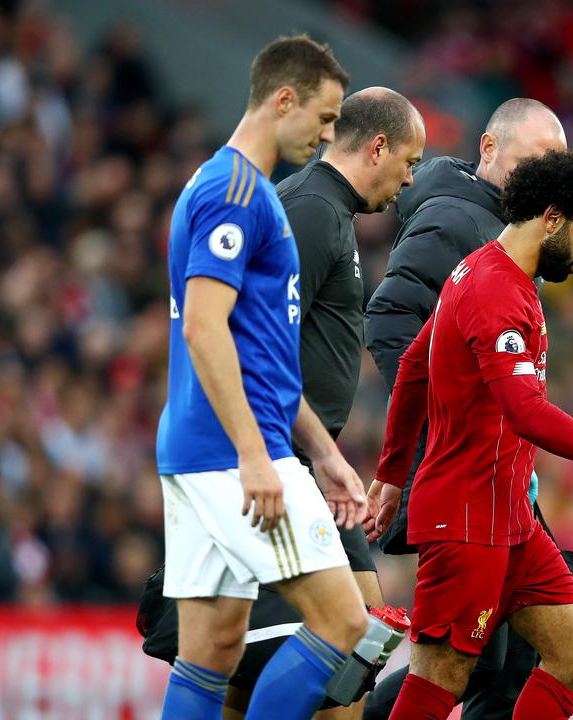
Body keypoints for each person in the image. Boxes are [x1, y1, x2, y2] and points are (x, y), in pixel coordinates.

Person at [366, 150, 573, 720]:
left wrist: (393, 476)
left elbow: (415, 369)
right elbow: (528, 414)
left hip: (510, 517)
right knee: (442, 676)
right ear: (553, 218)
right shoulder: (495, 291)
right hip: (467, 519)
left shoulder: (487, 271)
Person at [155, 35, 370, 720]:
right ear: (284, 100)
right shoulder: (237, 191)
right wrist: (257, 454)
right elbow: (203, 327)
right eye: (327, 117)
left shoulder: (231, 186)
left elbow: (262, 352)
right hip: (233, 452)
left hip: (201, 450)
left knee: (211, 649)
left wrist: (326, 452)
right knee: (346, 624)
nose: (331, 134)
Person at [219, 87, 426, 720]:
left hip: (310, 463)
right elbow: (250, 339)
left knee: (352, 647)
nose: (410, 179)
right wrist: (273, 459)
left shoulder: (327, 210)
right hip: (279, 464)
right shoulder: (310, 210)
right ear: (378, 146)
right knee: (328, 646)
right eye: (410, 162)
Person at [362, 98, 569, 719]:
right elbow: (391, 315)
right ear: (487, 149)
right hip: (465, 475)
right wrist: (451, 417)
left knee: (500, 660)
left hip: (493, 473)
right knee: (481, 660)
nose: (545, 177)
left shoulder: (505, 228)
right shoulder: (456, 219)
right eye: (534, 161)